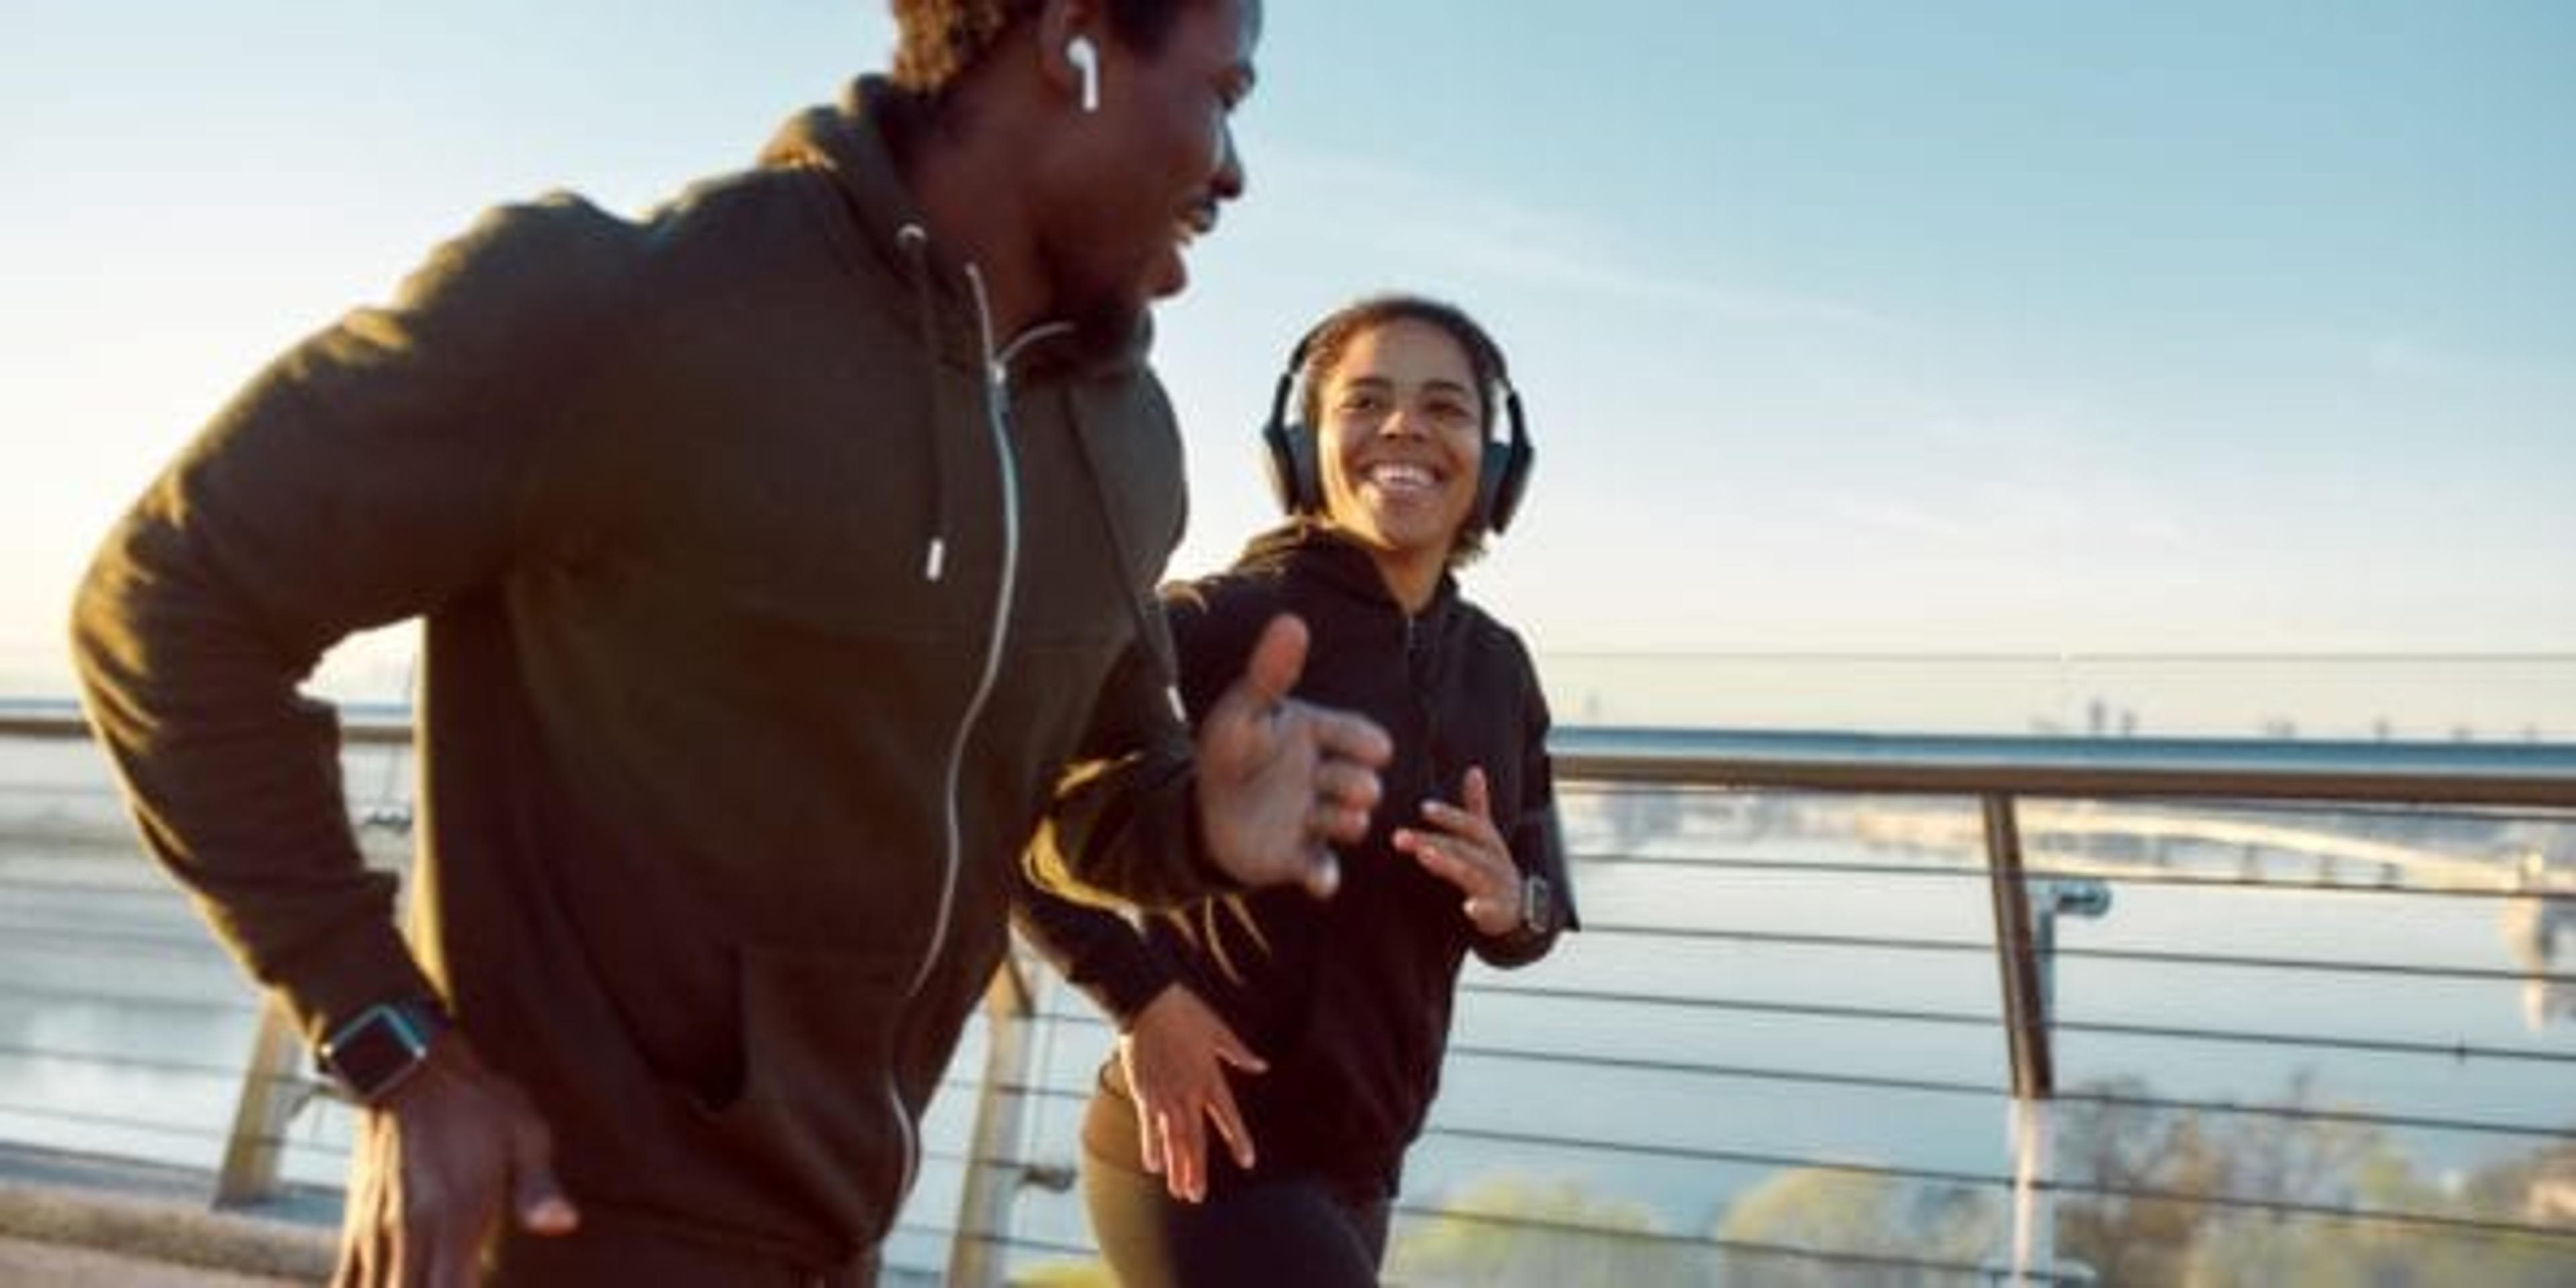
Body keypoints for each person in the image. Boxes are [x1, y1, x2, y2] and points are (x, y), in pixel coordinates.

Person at [67, 1, 1397, 1284]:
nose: (1231, 170)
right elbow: (170, 604)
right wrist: (392, 1044)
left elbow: (1060, 808)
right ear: (1076, 40)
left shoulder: (1122, 440)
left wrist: (1201, 829)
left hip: (843, 1230)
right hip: (558, 1231)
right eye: (1222, 95)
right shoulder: (629, 308)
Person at [1012, 293, 1578, 1286]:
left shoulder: (1500, 667)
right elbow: (996, 794)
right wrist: (1142, 1000)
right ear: (1303, 446)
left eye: (1446, 407)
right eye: (1365, 401)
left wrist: (1509, 901)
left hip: (1364, 1170)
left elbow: (1537, 913)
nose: (1404, 426)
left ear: (1494, 466)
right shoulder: (1218, 623)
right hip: (1206, 1155)